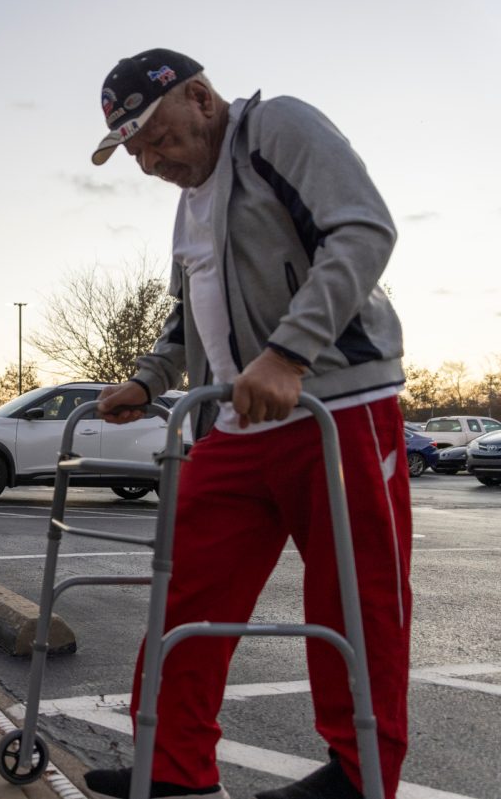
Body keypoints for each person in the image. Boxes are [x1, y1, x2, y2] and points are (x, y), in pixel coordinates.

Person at [85, 50, 410, 799]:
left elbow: (363, 231)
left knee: (356, 597)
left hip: (334, 406)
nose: (149, 161)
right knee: (187, 589)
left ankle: (360, 775)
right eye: (134, 150)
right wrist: (148, 377)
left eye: (155, 138)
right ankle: (172, 766)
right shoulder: (188, 201)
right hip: (234, 422)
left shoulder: (276, 129)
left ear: (200, 98)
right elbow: (188, 314)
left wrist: (289, 353)